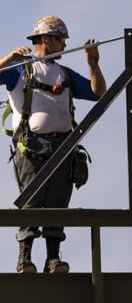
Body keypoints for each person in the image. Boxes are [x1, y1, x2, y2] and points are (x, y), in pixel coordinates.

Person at [0, 16, 106, 274]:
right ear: (45, 39)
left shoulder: (65, 75)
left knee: (58, 203)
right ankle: (24, 258)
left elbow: (98, 92)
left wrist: (93, 65)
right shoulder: (20, 70)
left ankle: (53, 259)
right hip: (32, 149)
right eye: (60, 39)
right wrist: (8, 59)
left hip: (62, 150)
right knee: (32, 202)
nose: (63, 44)